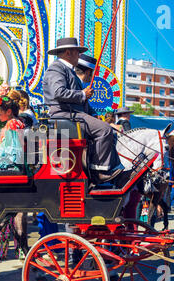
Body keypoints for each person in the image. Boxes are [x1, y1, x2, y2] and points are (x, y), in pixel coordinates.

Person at [42, 37, 123, 184]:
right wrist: (83, 94)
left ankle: (112, 167)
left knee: (107, 129)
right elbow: (58, 92)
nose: (79, 56)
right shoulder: (56, 68)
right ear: (68, 52)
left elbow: (82, 101)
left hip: (75, 114)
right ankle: (99, 172)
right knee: (104, 130)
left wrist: (93, 114)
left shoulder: (69, 71)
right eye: (77, 52)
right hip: (63, 114)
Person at [75, 53, 98, 117]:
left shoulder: (80, 83)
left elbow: (87, 105)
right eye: (92, 73)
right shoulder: (74, 82)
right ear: (88, 72)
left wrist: (95, 114)